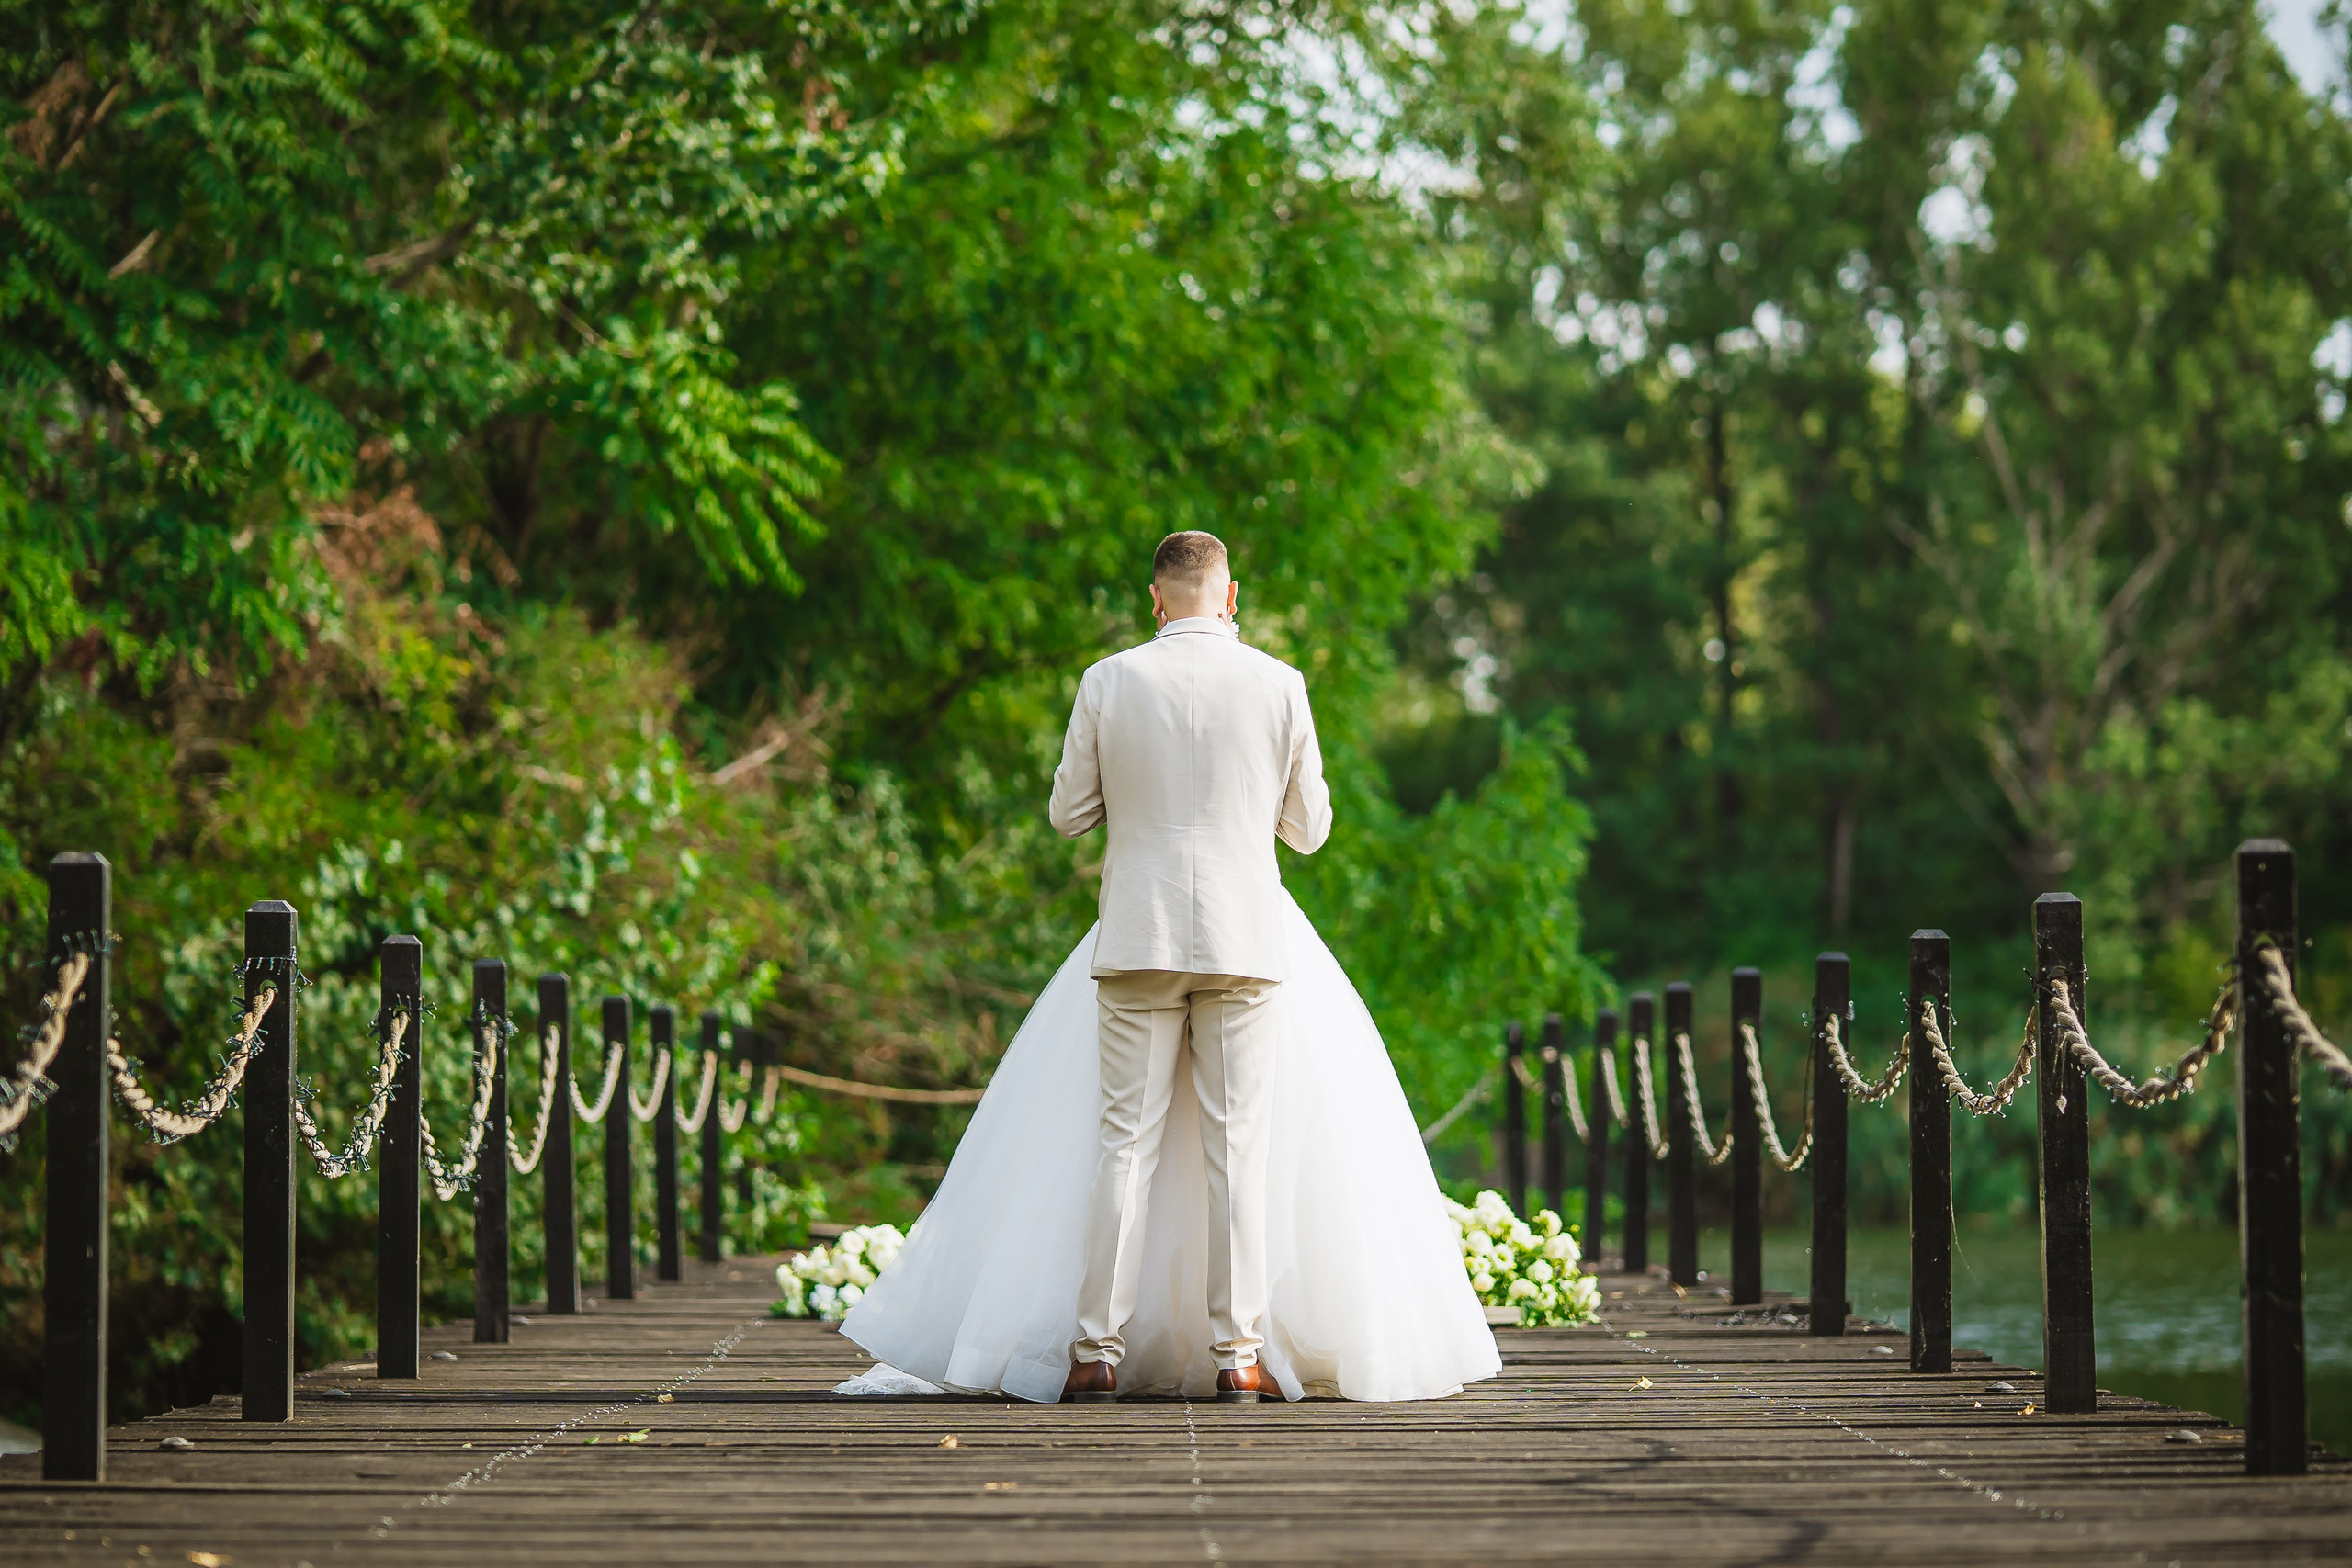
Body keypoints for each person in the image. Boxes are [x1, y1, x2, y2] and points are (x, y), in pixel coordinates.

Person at [839, 532, 1498, 1404]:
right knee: (1239, 1150)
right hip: (1245, 941)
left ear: (1156, 599)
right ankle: (1241, 1355)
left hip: (1139, 937)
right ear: (1231, 597)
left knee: (1123, 1146)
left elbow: (1069, 811)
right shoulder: (1281, 685)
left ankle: (1094, 1351)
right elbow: (1310, 830)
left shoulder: (1107, 681)